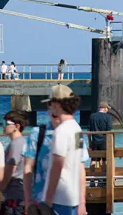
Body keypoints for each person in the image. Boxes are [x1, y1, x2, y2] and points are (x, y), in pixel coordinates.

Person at [41, 85, 86, 215]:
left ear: (57, 104)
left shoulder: (60, 131)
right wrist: (82, 201)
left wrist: (48, 199)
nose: (50, 107)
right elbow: (79, 163)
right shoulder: (77, 129)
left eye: (50, 104)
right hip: (73, 196)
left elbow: (57, 166)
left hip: (59, 197)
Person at [1, 110, 29, 215]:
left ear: (17, 126)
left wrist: (0, 188)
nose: (3, 126)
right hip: (17, 193)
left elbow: (10, 170)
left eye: (6, 123)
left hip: (15, 195)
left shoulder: (16, 144)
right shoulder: (19, 142)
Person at [89, 100, 120, 164]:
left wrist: (90, 142)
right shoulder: (108, 117)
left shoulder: (92, 116)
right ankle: (105, 173)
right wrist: (112, 143)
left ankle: (93, 172)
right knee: (105, 160)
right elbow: (109, 131)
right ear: (105, 108)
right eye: (107, 109)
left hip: (95, 142)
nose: (108, 110)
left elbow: (88, 130)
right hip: (104, 142)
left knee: (94, 160)